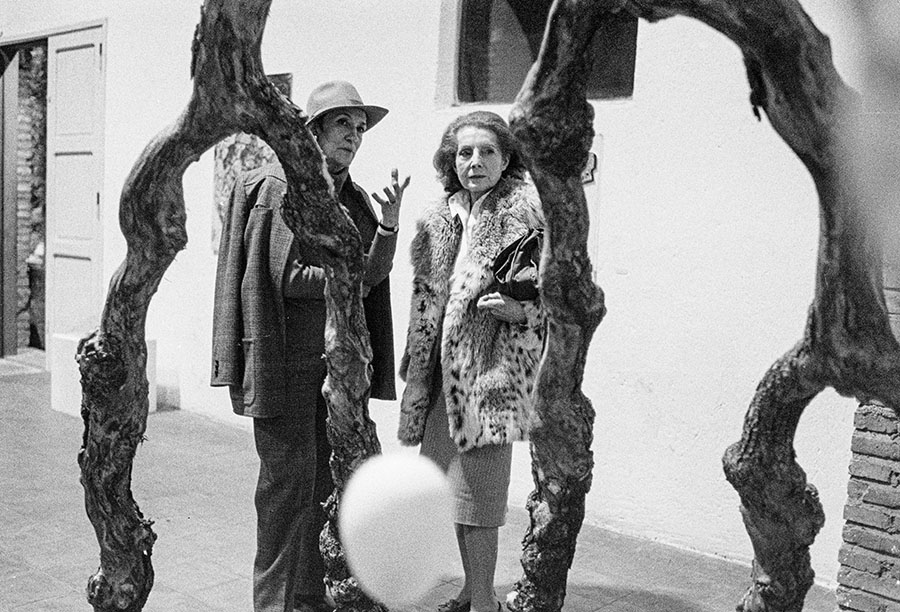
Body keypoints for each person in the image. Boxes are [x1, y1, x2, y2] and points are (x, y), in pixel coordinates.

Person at [211, 80, 409, 612]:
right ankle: (273, 604)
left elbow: (370, 277)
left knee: (325, 485)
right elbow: (287, 275)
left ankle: (309, 596)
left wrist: (387, 229)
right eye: (343, 123)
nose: (354, 135)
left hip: (336, 373)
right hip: (284, 364)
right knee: (284, 492)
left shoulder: (353, 198)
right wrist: (344, 277)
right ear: (315, 131)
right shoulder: (282, 188)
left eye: (360, 128)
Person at [398, 111, 544, 612]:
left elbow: (559, 297)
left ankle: (484, 600)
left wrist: (521, 312)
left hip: (489, 376)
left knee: (480, 498)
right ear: (451, 160)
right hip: (439, 377)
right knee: (454, 496)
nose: (475, 161)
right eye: (464, 152)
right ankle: (470, 589)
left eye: (487, 151)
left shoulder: (525, 215)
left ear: (506, 159)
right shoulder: (439, 218)